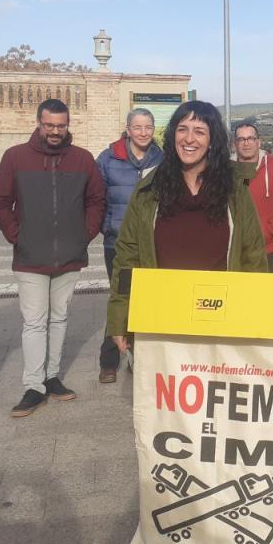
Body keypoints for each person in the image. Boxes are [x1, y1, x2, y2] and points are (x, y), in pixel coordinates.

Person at [105, 100, 266, 544]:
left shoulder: (236, 190)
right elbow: (128, 256)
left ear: (214, 139)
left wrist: (259, 323)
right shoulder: (150, 189)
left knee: (219, 440)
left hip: (223, 333)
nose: (190, 137)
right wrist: (121, 317)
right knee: (171, 440)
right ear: (171, 136)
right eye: (182, 129)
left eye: (200, 130)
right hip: (165, 333)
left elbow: (255, 258)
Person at [0, 98, 105, 418]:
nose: (55, 131)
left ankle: (52, 377)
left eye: (61, 125)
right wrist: (17, 234)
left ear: (68, 125)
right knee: (35, 322)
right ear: (39, 123)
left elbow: (97, 199)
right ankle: (33, 385)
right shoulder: (16, 157)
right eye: (49, 125)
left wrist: (85, 233)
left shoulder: (82, 160)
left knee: (59, 318)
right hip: (30, 256)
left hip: (69, 255)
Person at [95, 108, 164, 383]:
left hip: (151, 242)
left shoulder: (163, 159)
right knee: (119, 298)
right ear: (128, 129)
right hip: (116, 242)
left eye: (148, 127)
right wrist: (106, 225)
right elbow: (96, 197)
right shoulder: (108, 158)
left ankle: (141, 358)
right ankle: (109, 360)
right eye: (138, 127)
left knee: (146, 302)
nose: (144, 132)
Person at [233, 121, 273, 271]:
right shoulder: (226, 170)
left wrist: (267, 233)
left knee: (261, 294)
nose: (246, 143)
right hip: (233, 250)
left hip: (266, 250)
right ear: (235, 144)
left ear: (258, 142)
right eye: (241, 139)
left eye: (251, 138)